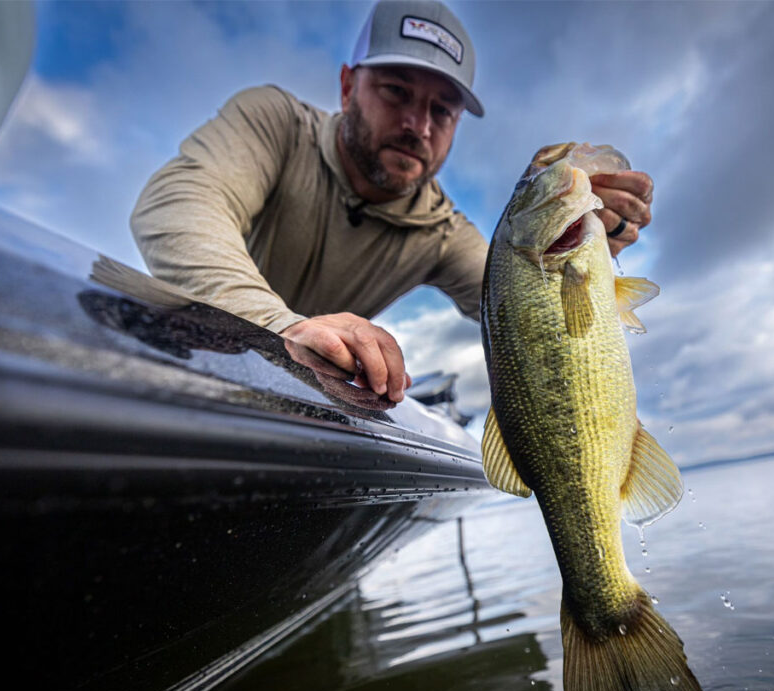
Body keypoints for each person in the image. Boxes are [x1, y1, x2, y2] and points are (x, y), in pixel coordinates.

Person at [130, 0, 653, 405]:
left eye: (442, 111)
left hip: (294, 402)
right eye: (396, 91)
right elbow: (177, 204)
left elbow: (538, 293)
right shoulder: (275, 123)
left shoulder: (445, 234)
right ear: (346, 87)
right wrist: (283, 326)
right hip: (176, 364)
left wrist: (595, 240)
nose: (417, 126)